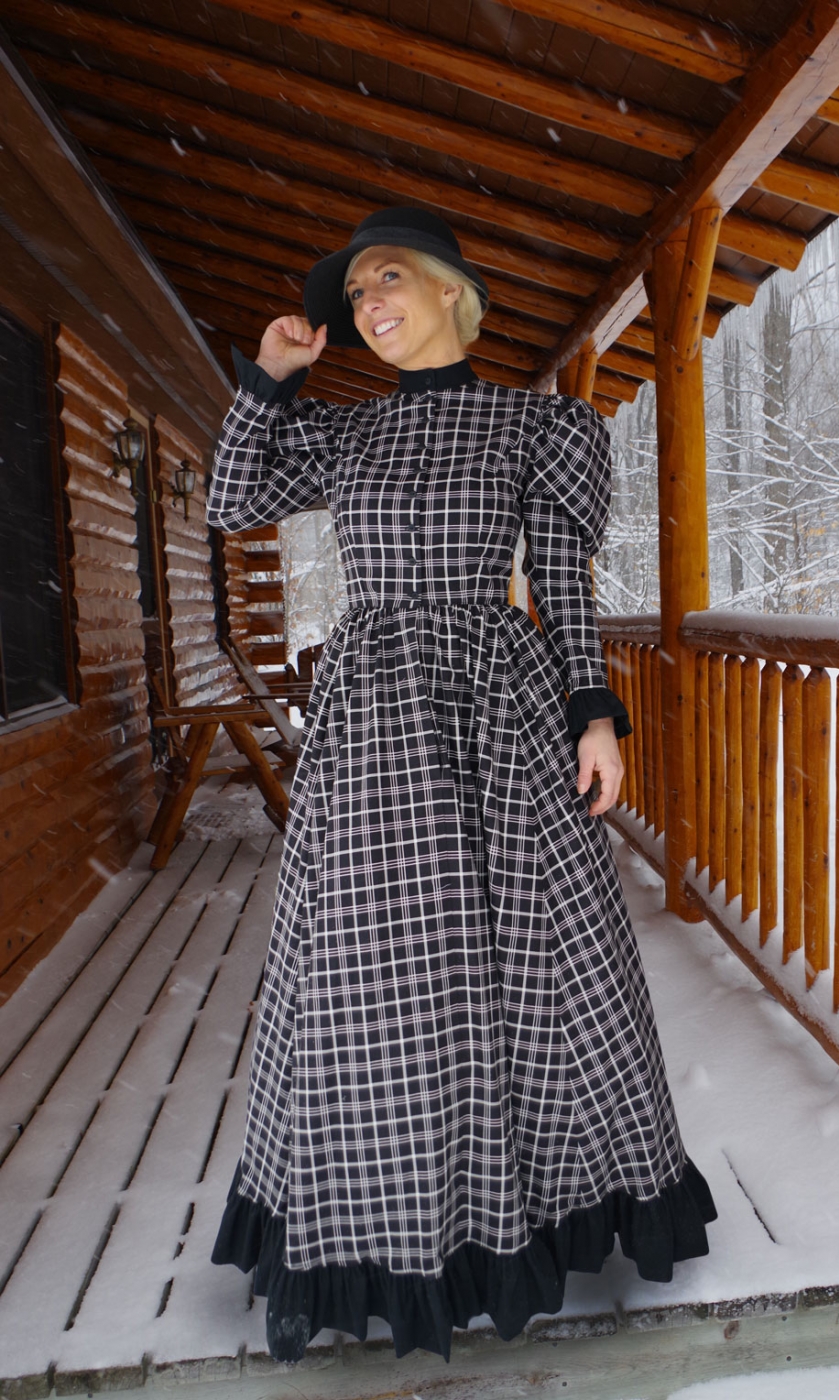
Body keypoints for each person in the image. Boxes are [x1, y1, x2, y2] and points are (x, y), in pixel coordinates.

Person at [208, 206, 715, 1363]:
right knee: (370, 959)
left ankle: (541, 1205)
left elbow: (564, 584)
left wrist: (595, 713)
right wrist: (273, 378)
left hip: (501, 699)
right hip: (378, 708)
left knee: (542, 947)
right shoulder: (345, 434)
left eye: (389, 279)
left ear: (451, 289)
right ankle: (394, 1215)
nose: (369, 305)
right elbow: (233, 497)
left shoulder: (544, 425)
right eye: (355, 297)